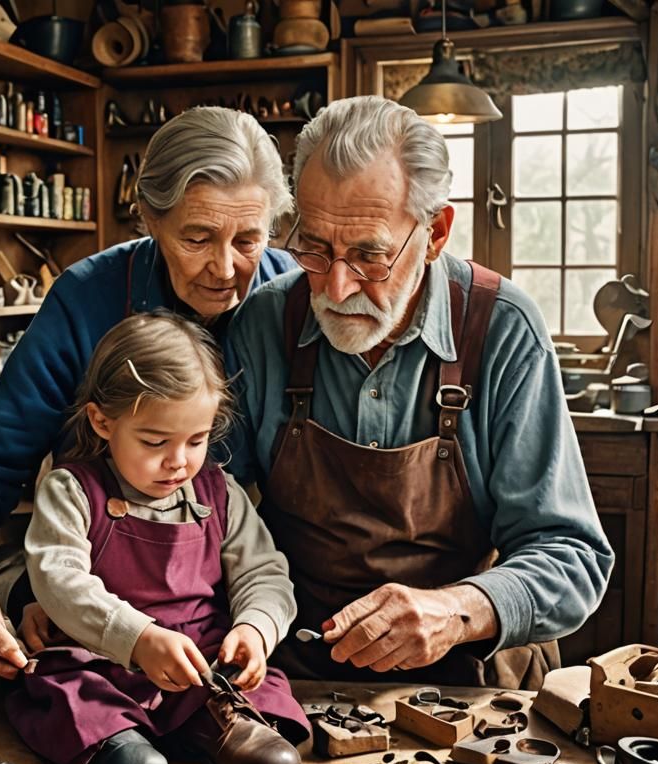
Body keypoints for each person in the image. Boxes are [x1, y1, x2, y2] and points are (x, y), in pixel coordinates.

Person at [227, 96, 614, 689]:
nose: (335, 285)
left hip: (466, 679)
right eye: (314, 247)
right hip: (291, 672)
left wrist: (459, 611)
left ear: (434, 233)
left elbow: (571, 556)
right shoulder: (264, 323)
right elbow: (200, 507)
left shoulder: (502, 328)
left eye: (369, 255)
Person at [0, 106, 296, 680]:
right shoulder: (85, 300)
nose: (225, 268)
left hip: (241, 609)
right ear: (148, 217)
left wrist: (259, 617)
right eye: (197, 237)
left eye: (249, 239)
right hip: (89, 599)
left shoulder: (296, 301)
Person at [7, 312, 308, 764]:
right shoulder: (72, 489)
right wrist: (138, 639)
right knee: (64, 688)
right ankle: (118, 738)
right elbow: (58, 580)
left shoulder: (220, 493)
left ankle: (219, 723)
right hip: (100, 658)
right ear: (102, 422)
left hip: (198, 663)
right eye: (154, 441)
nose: (179, 461)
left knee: (253, 686)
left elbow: (264, 573)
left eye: (197, 440)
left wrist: (256, 627)